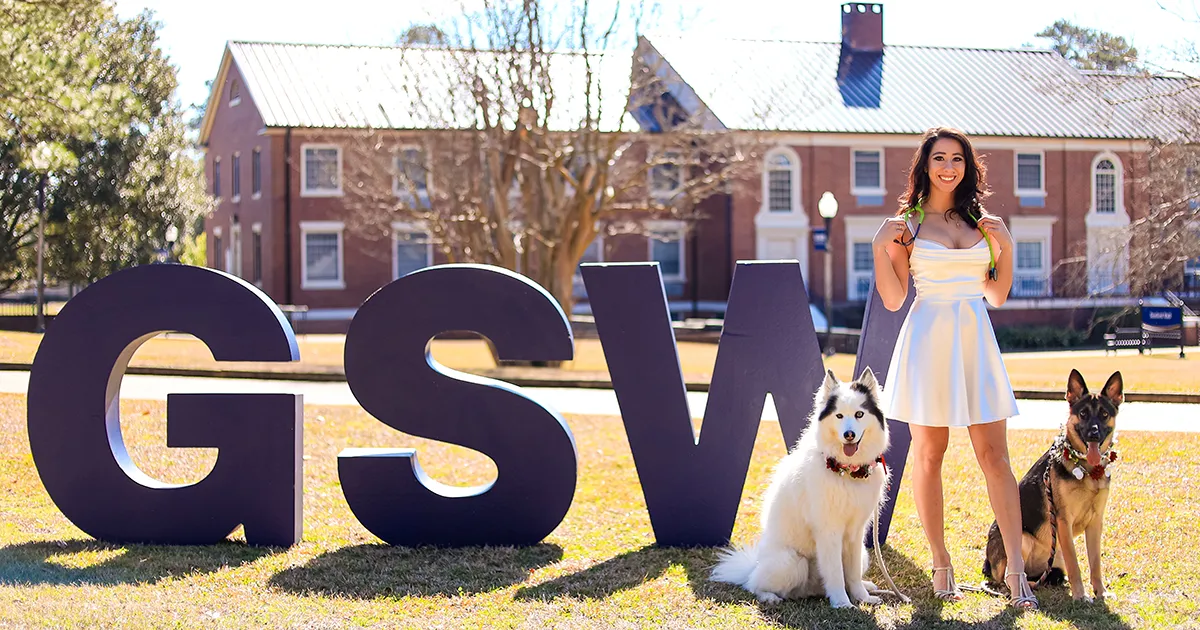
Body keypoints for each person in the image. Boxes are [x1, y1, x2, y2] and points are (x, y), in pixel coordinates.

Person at [871, 127, 1037, 610]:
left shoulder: (984, 222)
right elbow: (894, 296)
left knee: (995, 458)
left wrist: (1004, 249)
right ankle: (941, 564)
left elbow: (998, 294)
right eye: (939, 158)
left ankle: (1016, 573)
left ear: (968, 167)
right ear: (925, 165)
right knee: (929, 454)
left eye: (957, 159)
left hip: (975, 339)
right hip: (928, 338)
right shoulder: (908, 224)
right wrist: (882, 246)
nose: (948, 166)